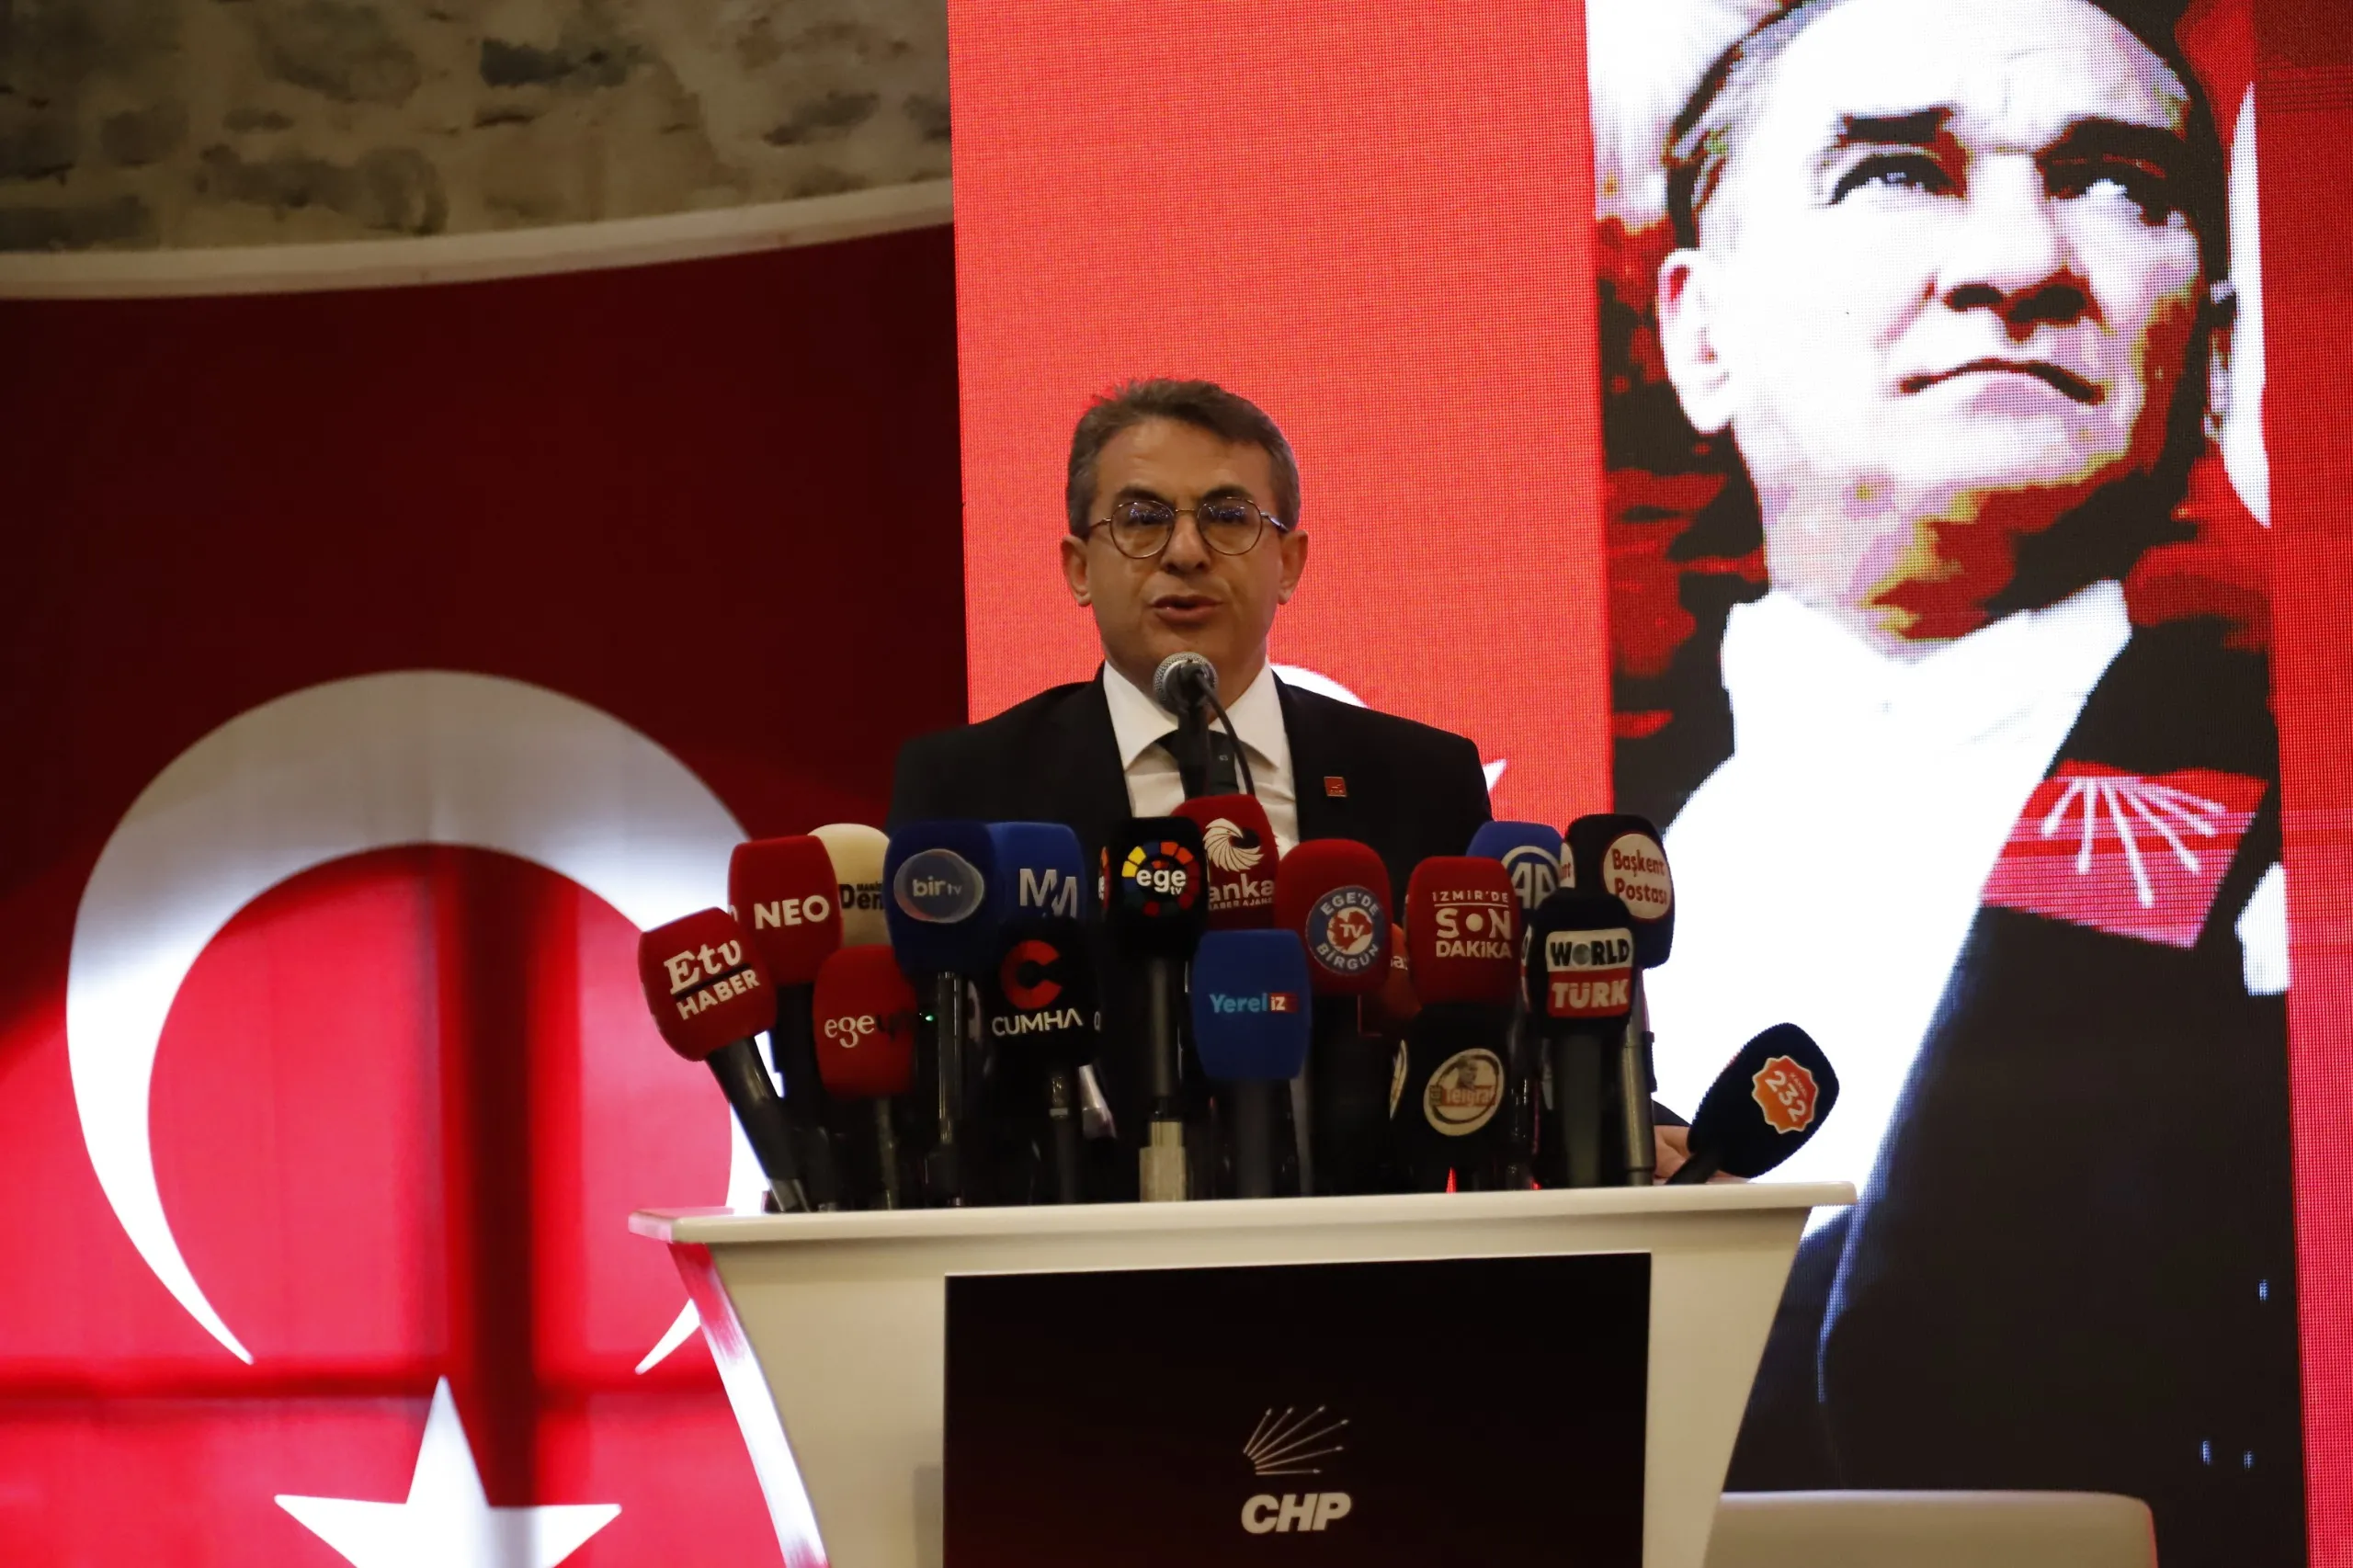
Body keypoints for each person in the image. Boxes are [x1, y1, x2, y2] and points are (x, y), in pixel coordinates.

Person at [1638, 0, 2299, 1562]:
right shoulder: (1559, 855)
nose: (2019, 260)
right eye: (1892, 172)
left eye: (2119, 185)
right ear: (1700, 333)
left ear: (2213, 349)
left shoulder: (2302, 833)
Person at [890, 379, 1497, 1192]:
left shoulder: (1423, 778)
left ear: (1289, 563)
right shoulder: (967, 787)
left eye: (1228, 516)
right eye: (1142, 519)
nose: (1184, 552)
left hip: (1363, 1251)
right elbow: (924, 1056)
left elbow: (1493, 1031)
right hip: (1072, 1251)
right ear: (1079, 568)